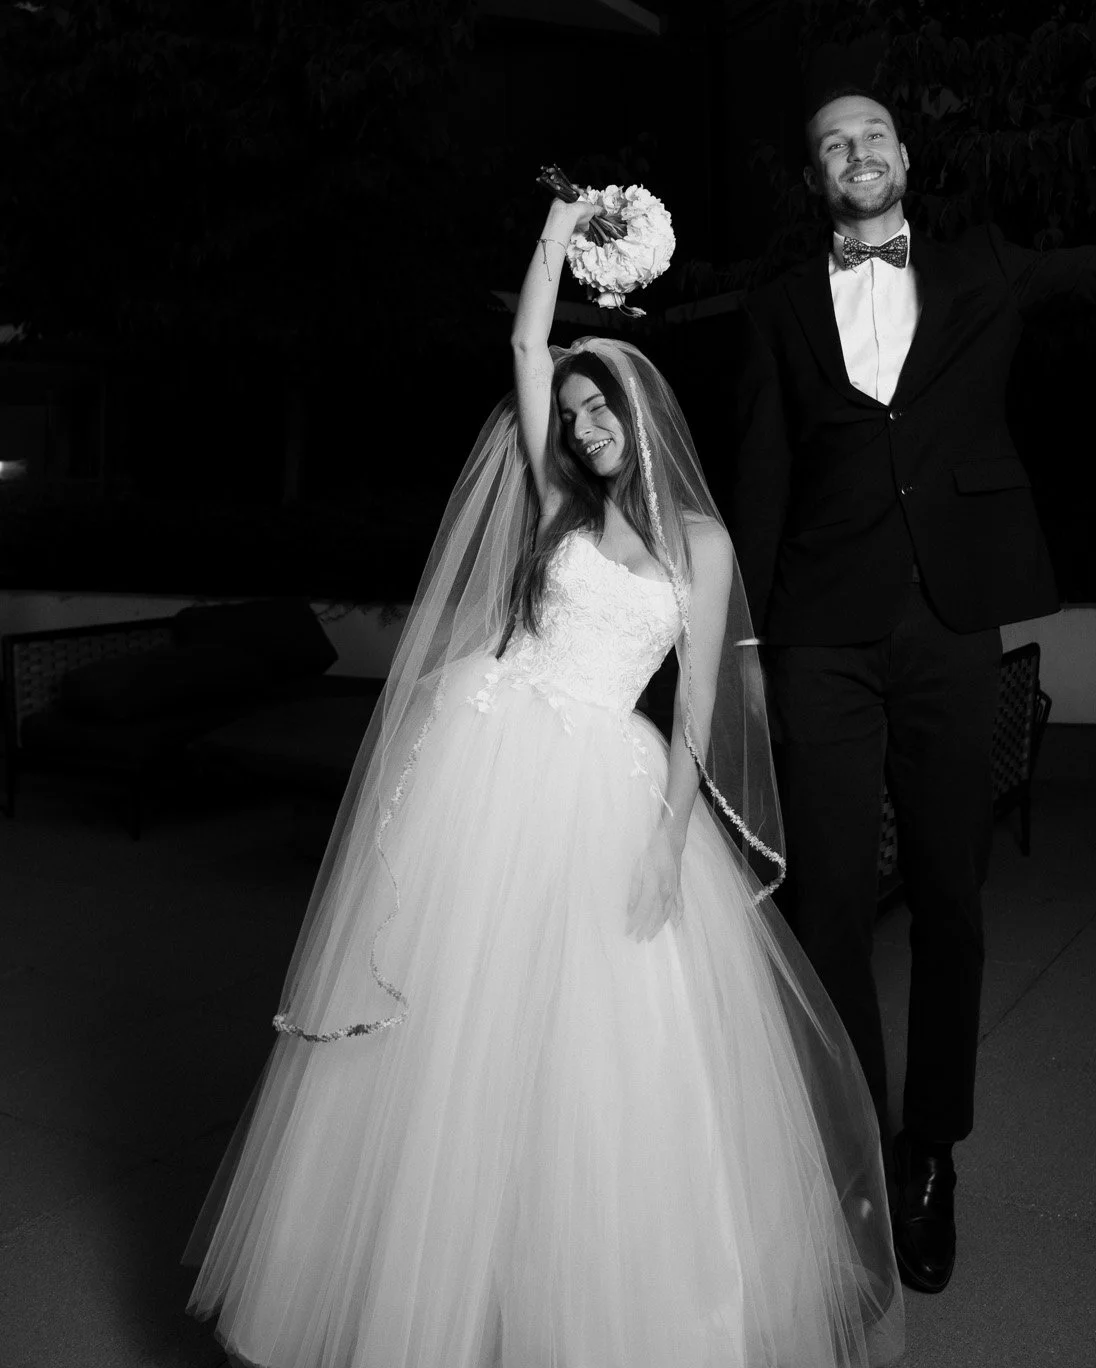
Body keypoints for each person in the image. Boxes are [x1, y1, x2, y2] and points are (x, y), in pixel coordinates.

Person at [185, 187, 905, 1368]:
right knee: (453, 1018)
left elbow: (698, 704)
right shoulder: (560, 501)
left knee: (597, 1044)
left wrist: (670, 839)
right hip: (487, 758)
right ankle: (420, 1296)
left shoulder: (701, 543)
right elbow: (527, 344)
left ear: (642, 410)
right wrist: (559, 230)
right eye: (572, 414)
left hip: (604, 780)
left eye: (600, 405)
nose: (583, 424)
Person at [732, 15, 1096, 1296]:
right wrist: (748, 639)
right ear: (817, 177)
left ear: (906, 157)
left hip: (951, 624)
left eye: (874, 133)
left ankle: (929, 1149)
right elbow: (762, 476)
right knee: (829, 899)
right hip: (819, 634)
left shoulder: (985, 266)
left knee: (951, 891)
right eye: (833, 143)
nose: (858, 151)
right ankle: (851, 1142)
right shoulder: (778, 308)